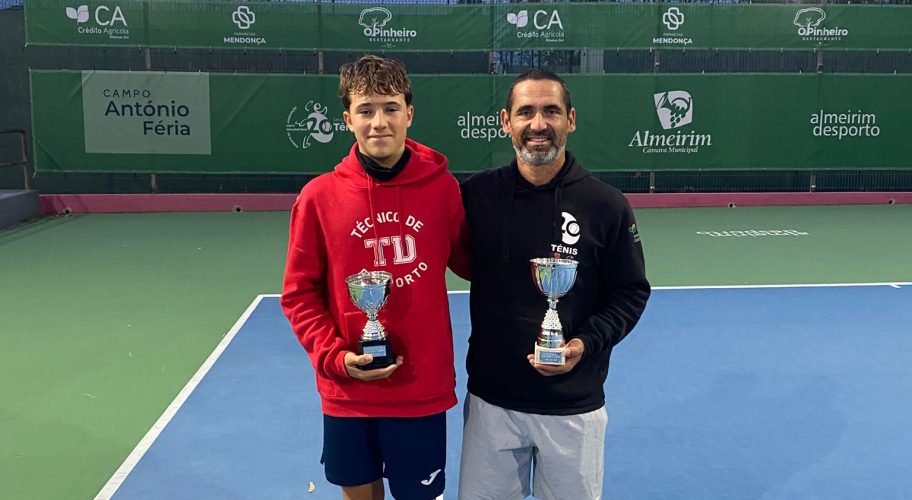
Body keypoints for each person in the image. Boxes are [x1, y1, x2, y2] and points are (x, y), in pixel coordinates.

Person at [457, 69, 651, 500]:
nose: (538, 124)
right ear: (506, 122)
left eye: (551, 111)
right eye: (525, 112)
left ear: (571, 119)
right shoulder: (476, 196)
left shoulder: (606, 205)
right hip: (492, 402)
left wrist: (583, 344)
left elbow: (630, 292)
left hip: (573, 405)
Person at [281, 55, 468, 500]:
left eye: (390, 108)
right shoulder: (318, 198)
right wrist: (335, 358)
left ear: (409, 114)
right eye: (365, 110)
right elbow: (299, 294)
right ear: (348, 119)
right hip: (348, 390)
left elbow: (474, 262)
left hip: (420, 387)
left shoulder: (442, 190)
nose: (379, 121)